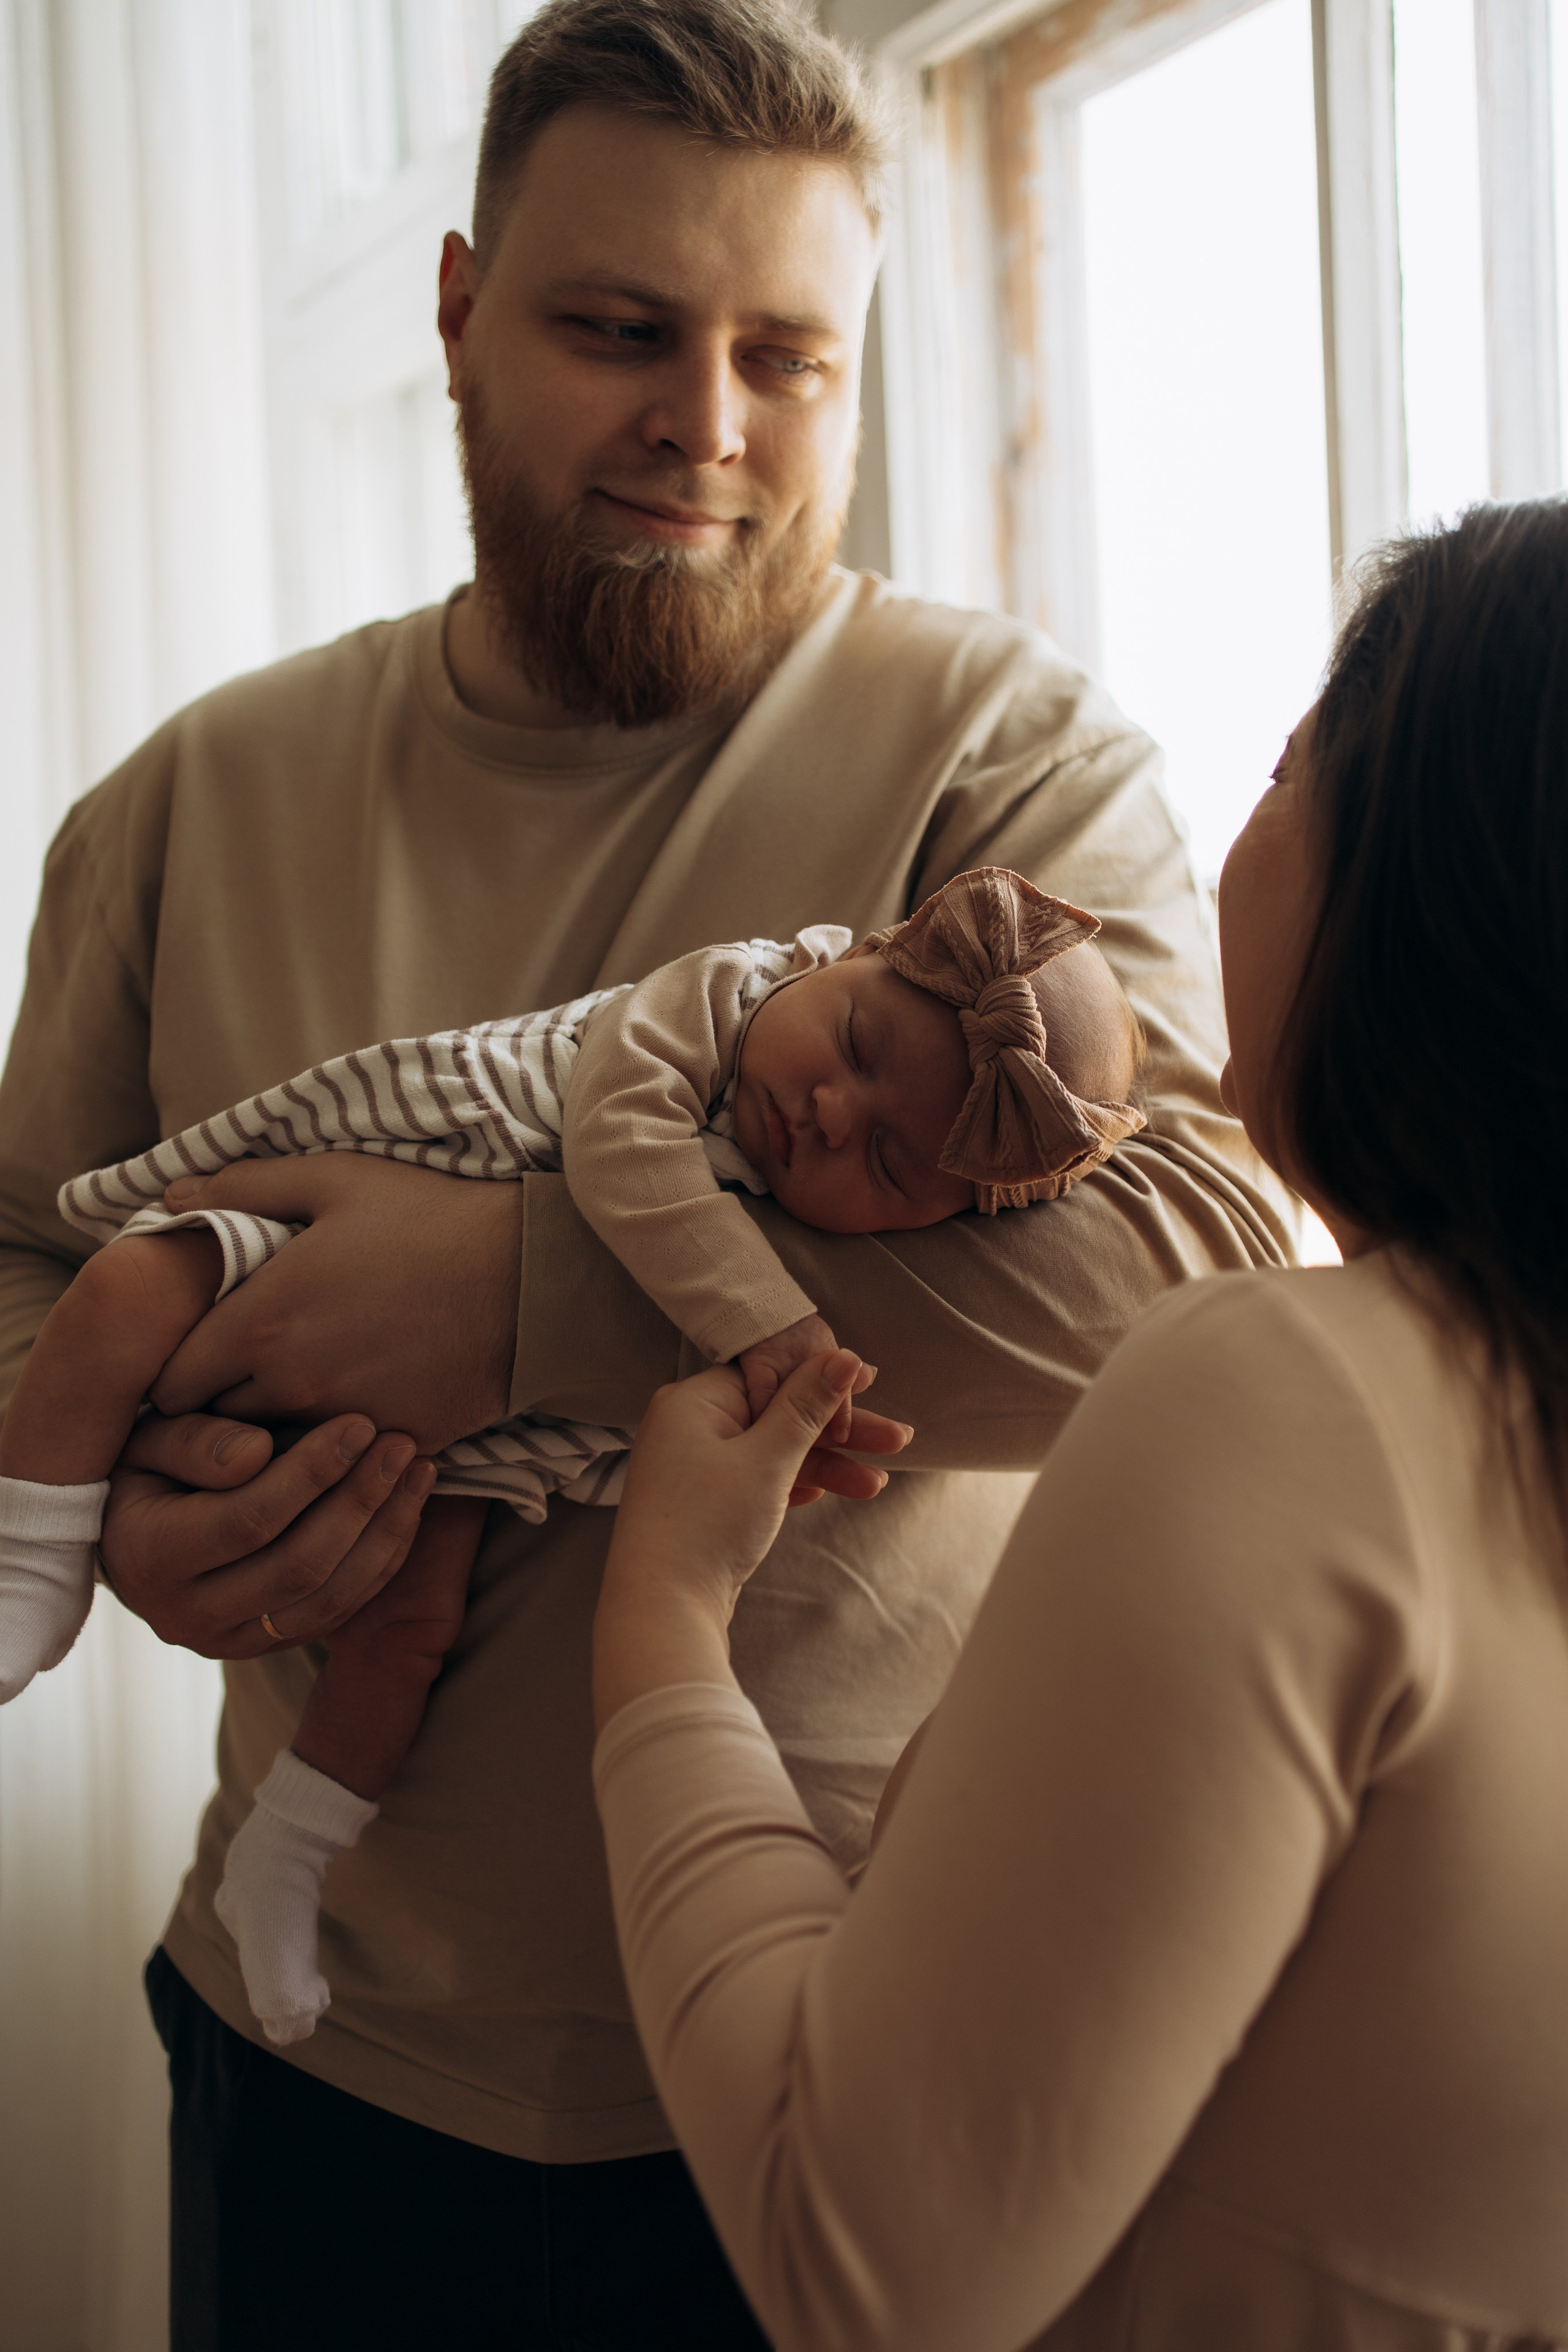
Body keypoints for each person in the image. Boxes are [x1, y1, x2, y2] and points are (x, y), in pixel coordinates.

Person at [0, 1, 1290, 2340]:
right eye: (619, 330)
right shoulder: (185, 807)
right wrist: (114, 1498)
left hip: (852, 2063)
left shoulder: (1011, 775)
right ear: (461, 311)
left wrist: (517, 1295)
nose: (706, 427)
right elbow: (18, 1259)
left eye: (787, 358)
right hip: (319, 2059)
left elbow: (1190, 1265)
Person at [589, 498, 1568, 2348]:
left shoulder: (1293, 1396)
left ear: (1426, 879)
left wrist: (661, 1623)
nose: (1238, 832)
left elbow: (858, 2262)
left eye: (1295, 759)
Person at [1, 871, 1141, 2049]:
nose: (837, 1114)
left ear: (937, 1235)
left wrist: (767, 1447)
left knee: (404, 1635)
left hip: (470, 1467)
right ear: (839, 958)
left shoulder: (1034, 758)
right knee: (135, 1280)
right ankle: (36, 1558)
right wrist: (770, 1329)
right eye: (855, 1039)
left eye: (894, 1169)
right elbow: (617, 1141)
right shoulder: (719, 996)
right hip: (315, 1221)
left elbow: (1165, 1287)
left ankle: (288, 1857)